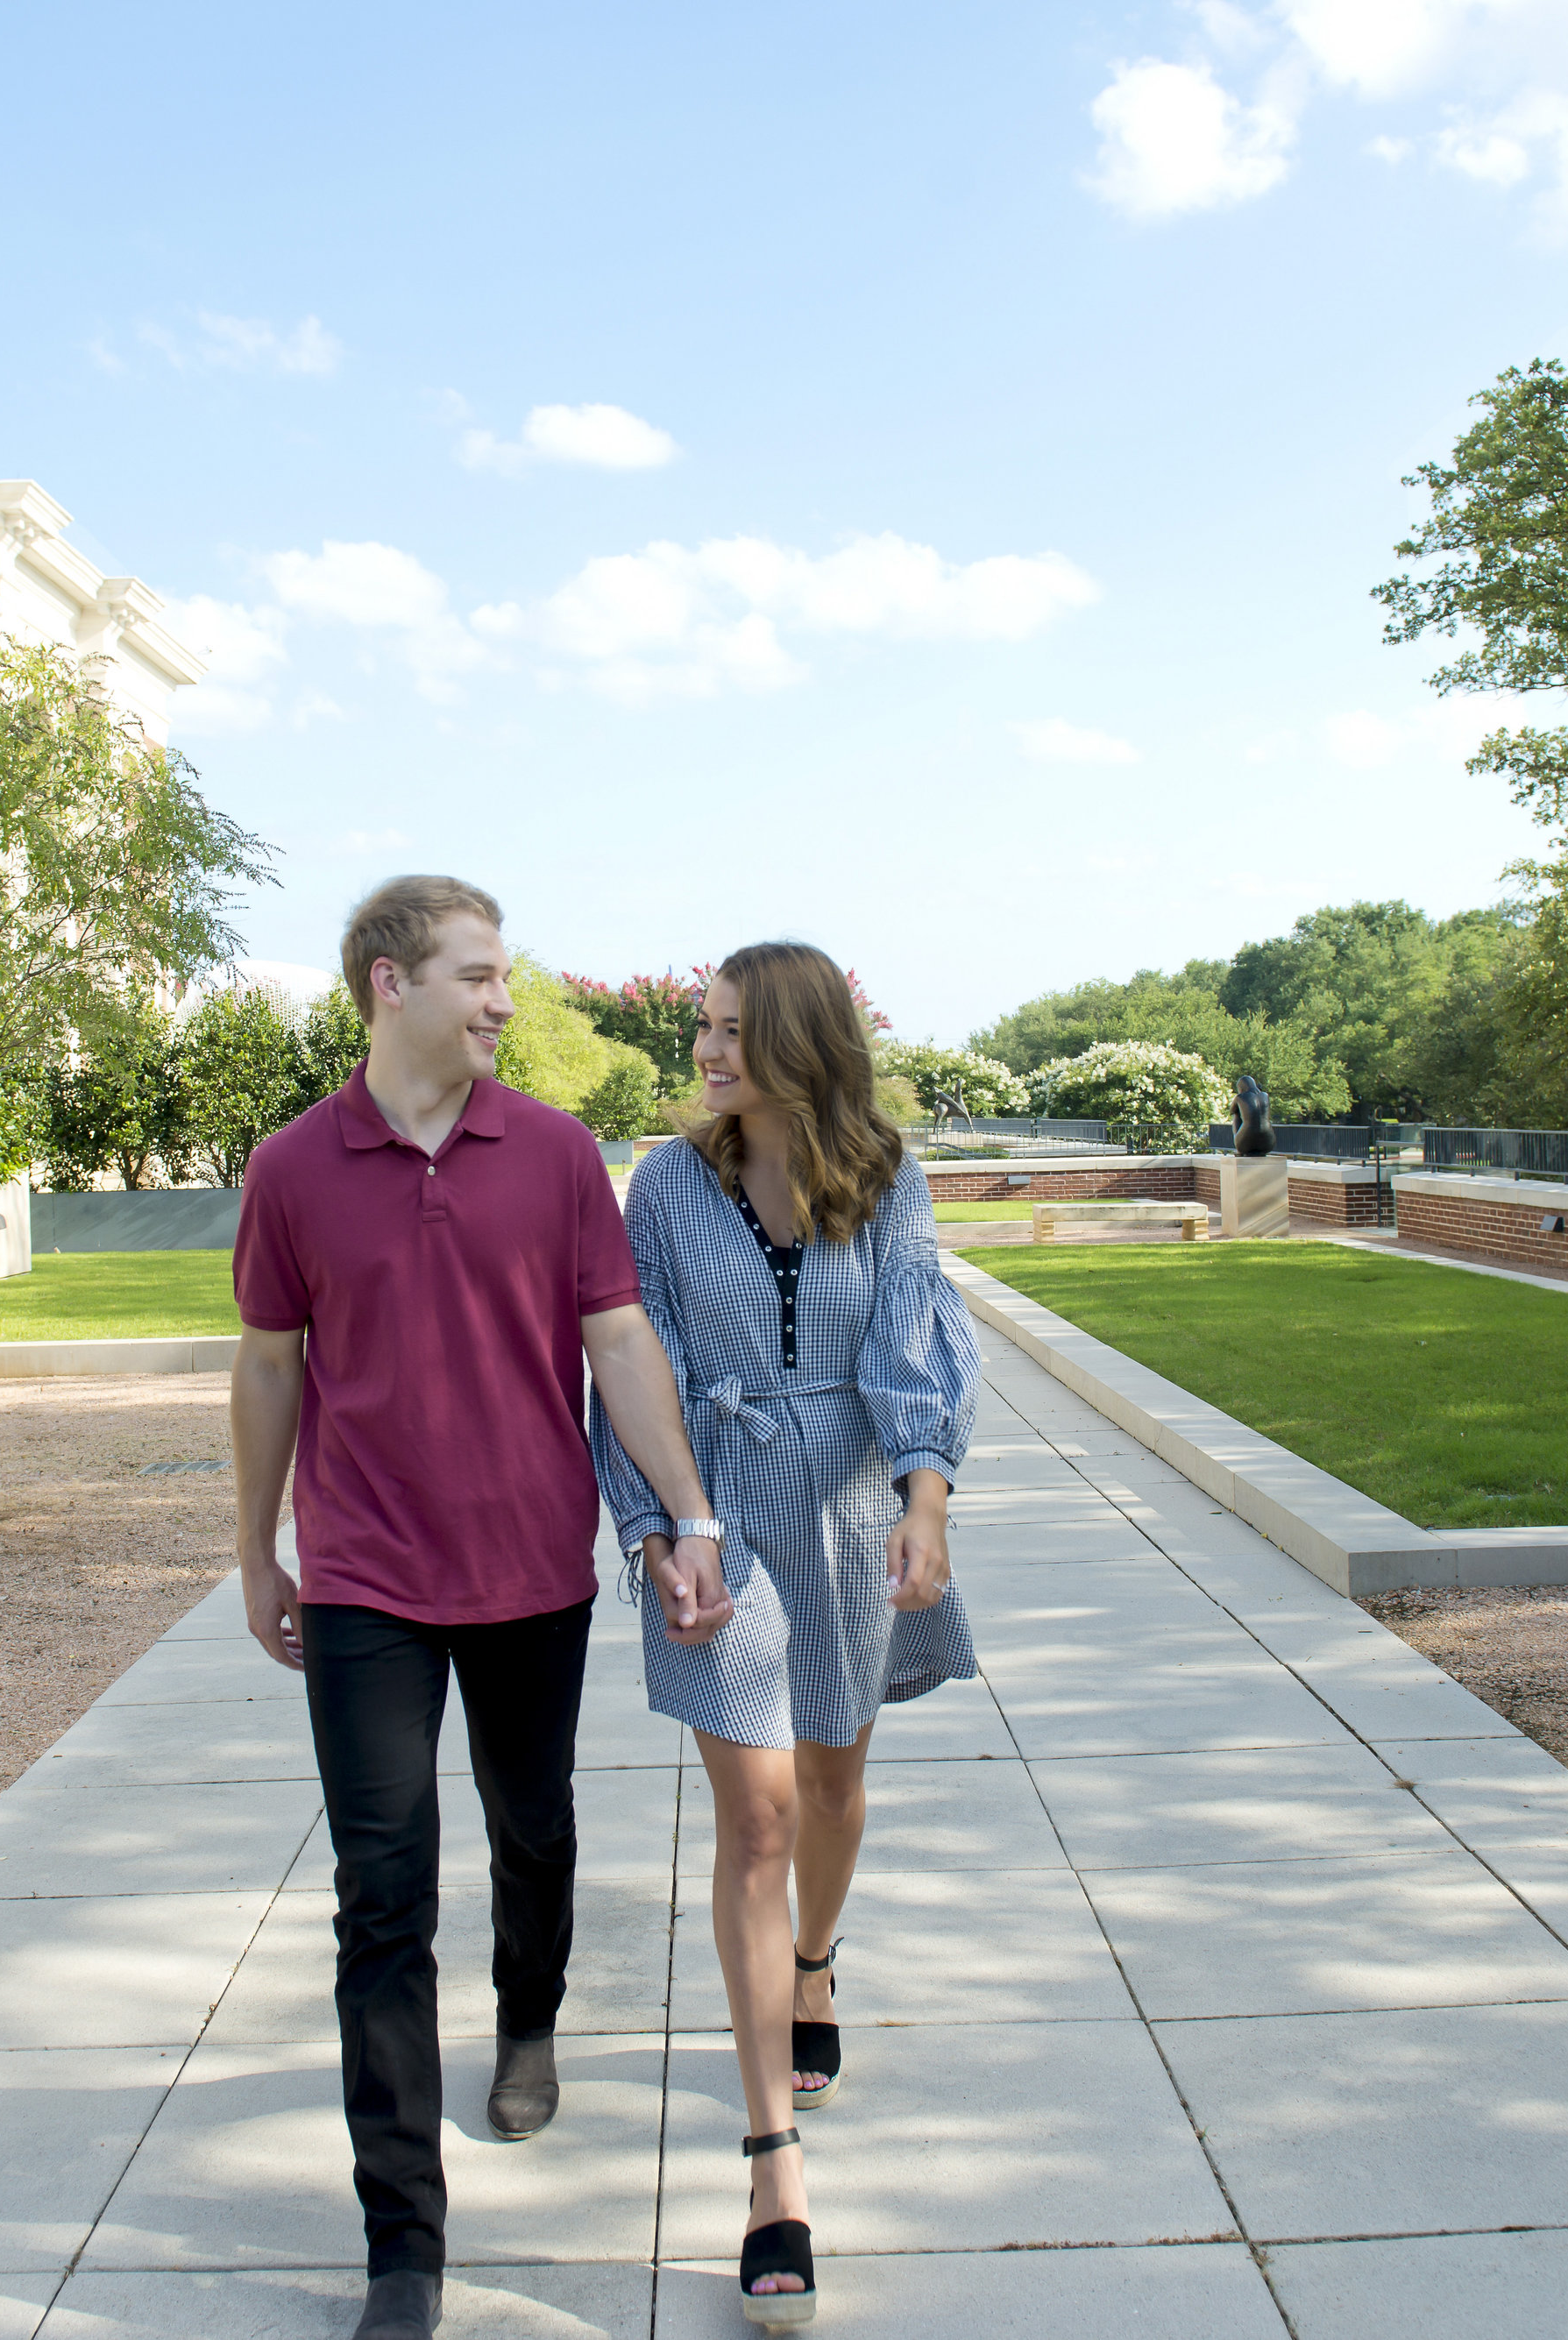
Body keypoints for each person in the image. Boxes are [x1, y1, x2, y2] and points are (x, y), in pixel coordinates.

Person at [230, 875, 728, 2340]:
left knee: (535, 1823)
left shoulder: (560, 1153)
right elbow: (268, 1366)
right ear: (391, 984)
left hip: (529, 1566)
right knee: (381, 1895)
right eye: (479, 976)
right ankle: (404, 2243)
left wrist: (687, 1512)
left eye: (502, 976)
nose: (505, 1000)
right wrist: (258, 1546)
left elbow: (620, 1340)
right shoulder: (293, 1166)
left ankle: (526, 2019)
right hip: (371, 1575)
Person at [589, 940, 983, 2329]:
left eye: (734, 1029)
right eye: (703, 1026)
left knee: (830, 1785)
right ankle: (772, 2170)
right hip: (717, 1517)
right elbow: (630, 1361)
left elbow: (921, 1346)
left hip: (856, 1505)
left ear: (802, 1041)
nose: (707, 1050)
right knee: (751, 1821)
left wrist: (926, 1503)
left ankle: (815, 1962)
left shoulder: (885, 1179)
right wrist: (658, 1527)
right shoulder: (667, 1185)